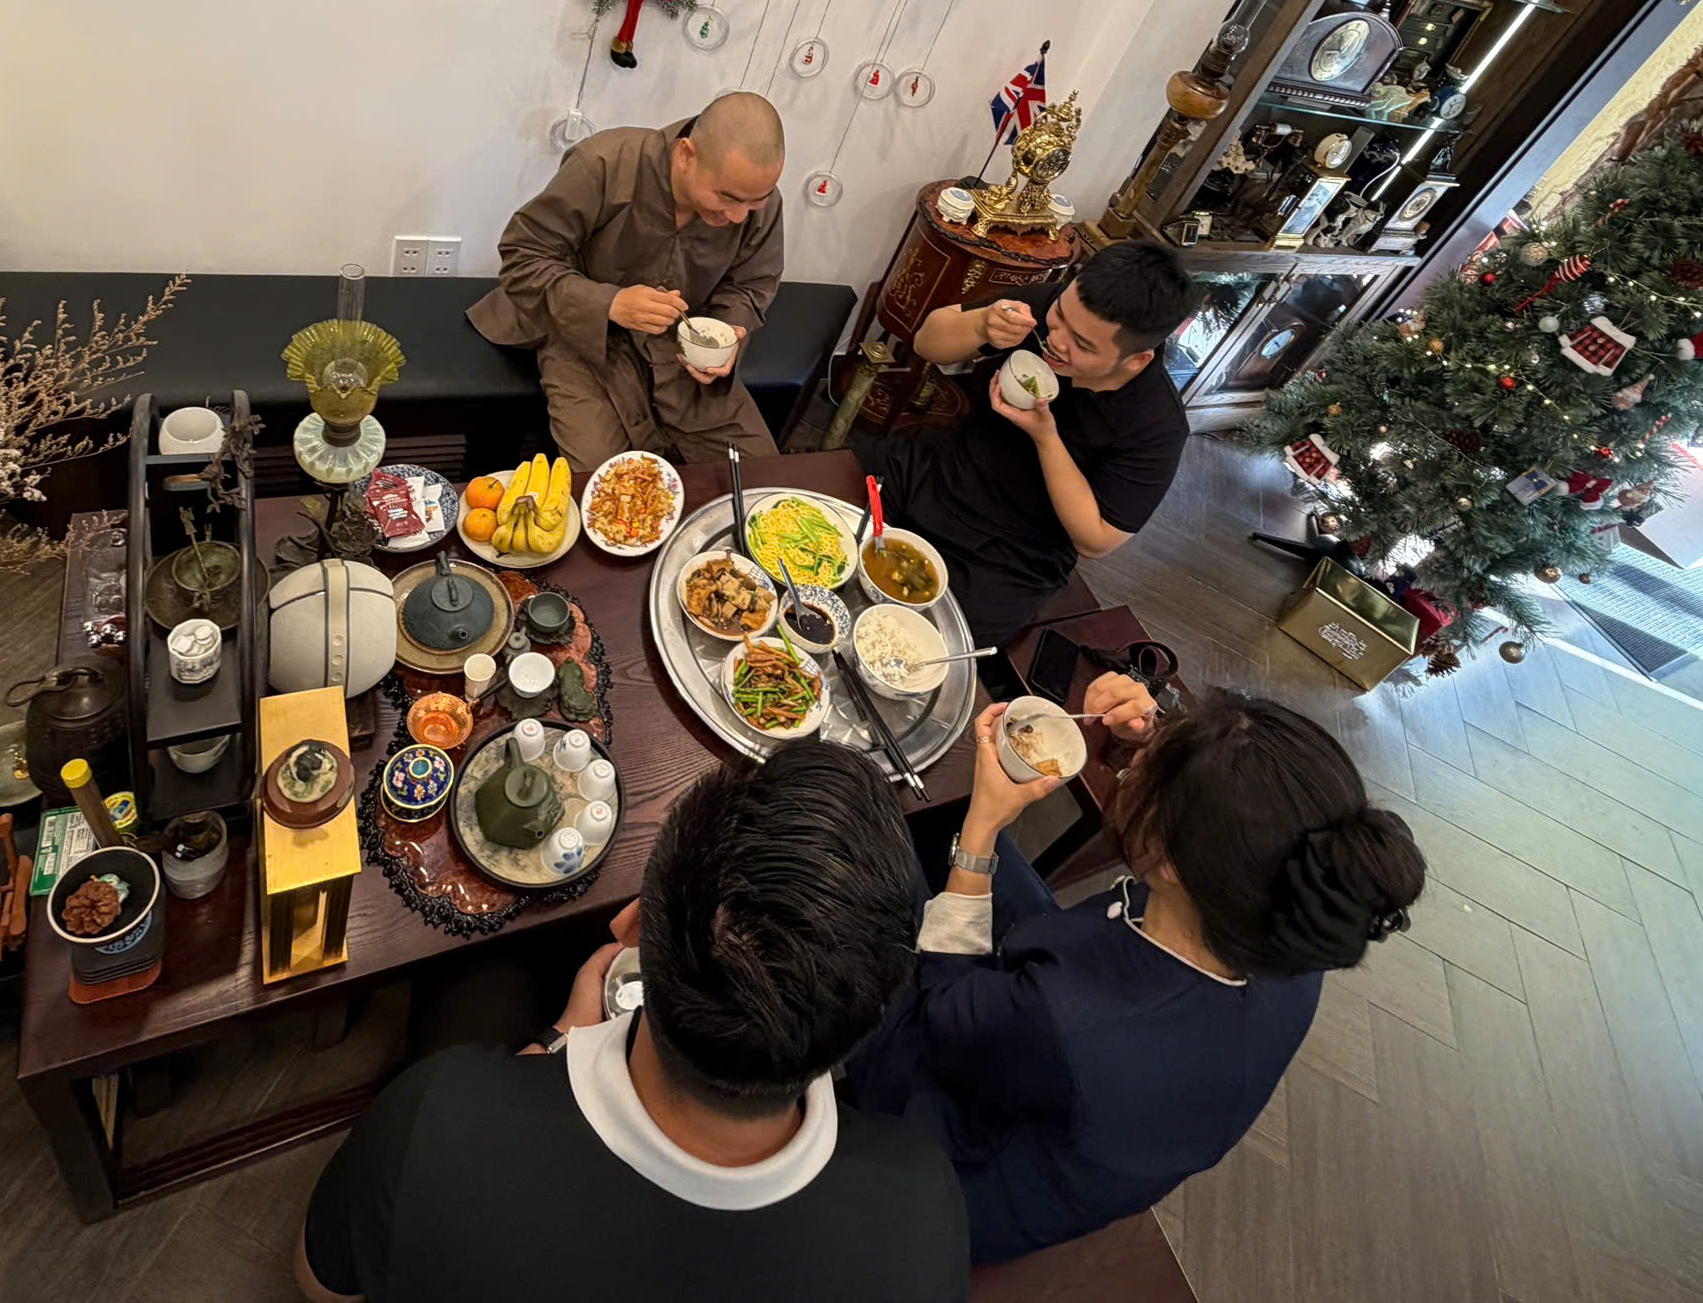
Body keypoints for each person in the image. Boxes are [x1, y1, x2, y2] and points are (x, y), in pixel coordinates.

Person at [299, 740, 970, 1303]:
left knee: (479, 972)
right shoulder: (923, 1211)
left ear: (630, 927)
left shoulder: (440, 1115)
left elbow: (321, 1283)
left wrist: (554, 1046)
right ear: (874, 1011)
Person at [842, 686, 1427, 1264]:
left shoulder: (1071, 1023)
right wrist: (1171, 743)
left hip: (943, 1160)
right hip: (1061, 1052)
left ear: (1174, 863)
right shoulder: (1290, 911)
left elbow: (946, 1007)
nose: (1136, 767)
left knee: (867, 838)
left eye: (1148, 776)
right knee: (931, 821)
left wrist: (979, 835)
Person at [858, 240, 1198, 648]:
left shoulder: (1155, 424)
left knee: (926, 644)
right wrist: (984, 323)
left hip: (1012, 553)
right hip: (937, 467)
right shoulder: (1050, 311)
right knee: (821, 526)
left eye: (1084, 345)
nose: (1057, 341)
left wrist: (1046, 437)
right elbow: (926, 343)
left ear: (1138, 359)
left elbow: (1097, 538)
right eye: (1060, 318)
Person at [468, 93, 785, 473]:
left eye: (755, 202)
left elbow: (750, 284)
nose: (737, 216)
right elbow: (524, 257)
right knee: (607, 484)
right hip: (580, 335)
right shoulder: (604, 163)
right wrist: (611, 304)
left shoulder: (754, 201)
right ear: (686, 155)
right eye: (725, 197)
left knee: (764, 480)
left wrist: (727, 331)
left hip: (682, 345)